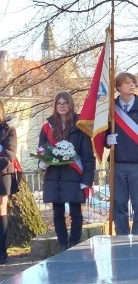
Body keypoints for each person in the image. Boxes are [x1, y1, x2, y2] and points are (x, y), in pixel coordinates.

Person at [39, 93, 95, 251]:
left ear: (71, 105)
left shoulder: (80, 127)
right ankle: (63, 245)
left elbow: (87, 156)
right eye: (59, 103)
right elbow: (41, 149)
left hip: (74, 175)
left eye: (65, 103)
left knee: (76, 212)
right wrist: (43, 161)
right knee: (58, 213)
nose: (62, 106)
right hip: (54, 176)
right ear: (55, 106)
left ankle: (74, 244)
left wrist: (87, 179)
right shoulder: (47, 127)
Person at [105, 72, 138, 236]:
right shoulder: (110, 109)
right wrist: (107, 140)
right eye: (127, 83)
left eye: (133, 82)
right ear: (118, 87)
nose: (132, 85)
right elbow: (100, 134)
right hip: (117, 164)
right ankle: (121, 237)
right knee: (119, 204)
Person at [0, 101, 17, 264]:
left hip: (2, 174)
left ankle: (2, 250)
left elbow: (9, 154)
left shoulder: (8, 128)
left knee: (1, 210)